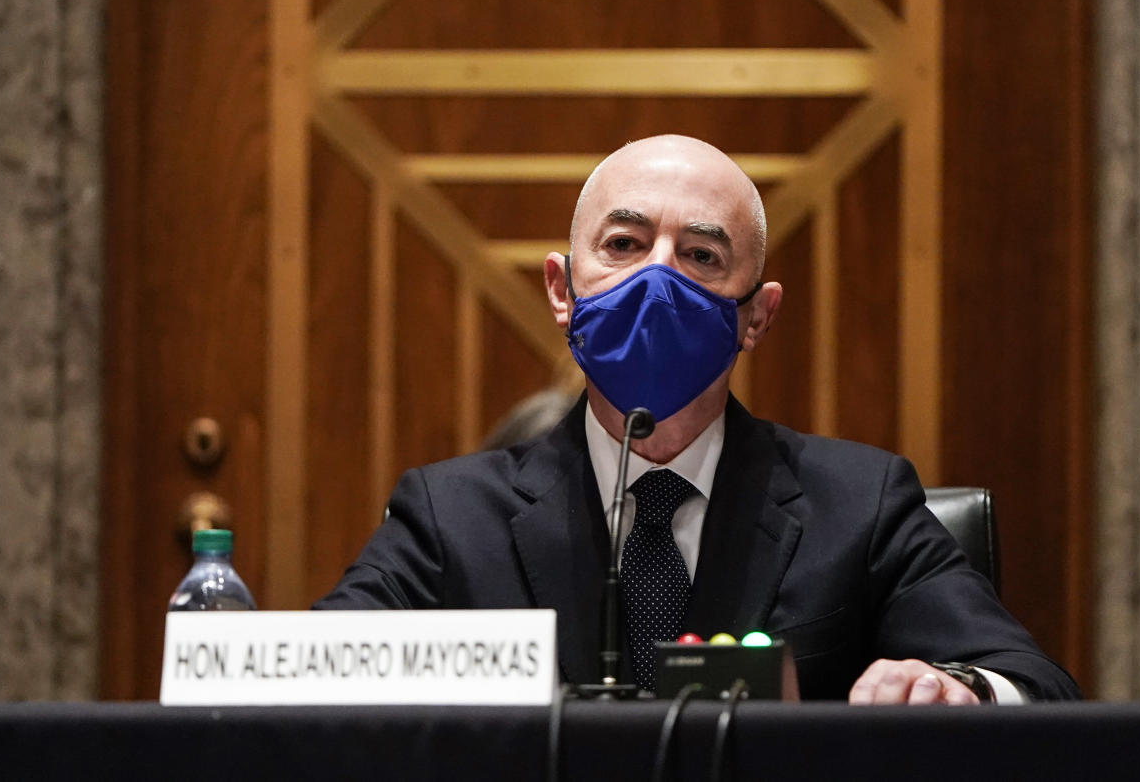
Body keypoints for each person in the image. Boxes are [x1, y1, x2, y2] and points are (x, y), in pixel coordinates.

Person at [315, 135, 1080, 704]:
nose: (657, 279)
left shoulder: (861, 504)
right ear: (562, 288)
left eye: (702, 256)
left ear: (757, 315)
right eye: (624, 244)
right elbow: (309, 672)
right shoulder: (450, 516)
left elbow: (1033, 684)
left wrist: (958, 691)